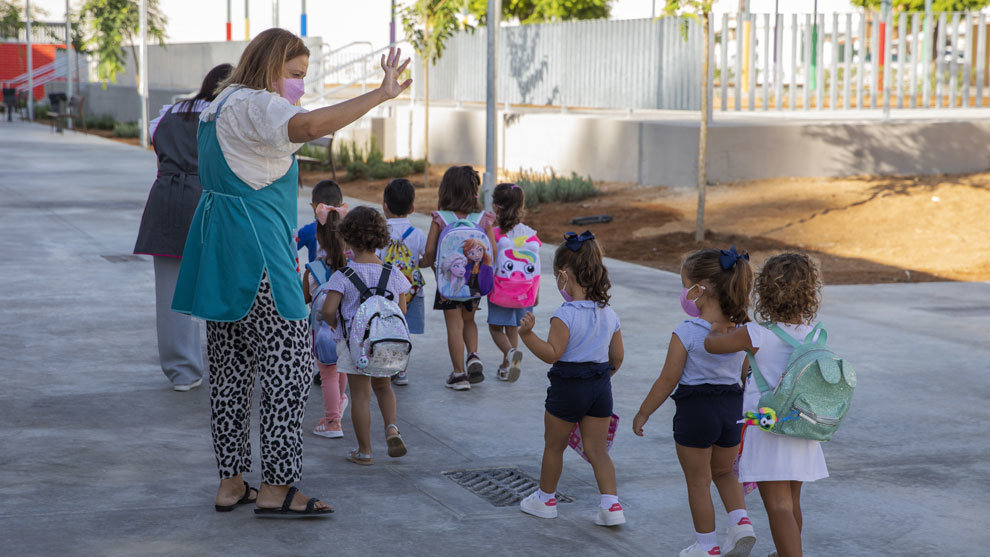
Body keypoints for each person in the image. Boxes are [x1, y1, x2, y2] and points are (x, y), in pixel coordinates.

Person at [171, 28, 411, 517]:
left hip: (219, 252)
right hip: (259, 251)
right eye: (295, 74)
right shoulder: (260, 104)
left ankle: (231, 482)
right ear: (270, 66)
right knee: (289, 369)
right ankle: (279, 486)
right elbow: (305, 127)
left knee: (231, 373)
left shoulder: (221, 103)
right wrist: (379, 94)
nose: (300, 85)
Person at [632, 247, 757, 557]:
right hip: (731, 411)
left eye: (686, 285)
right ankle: (741, 524)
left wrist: (643, 412)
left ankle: (707, 547)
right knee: (726, 472)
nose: (684, 293)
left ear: (700, 289)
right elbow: (746, 375)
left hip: (695, 413)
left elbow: (667, 379)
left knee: (699, 483)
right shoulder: (742, 332)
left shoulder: (687, 332)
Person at [704, 253, 829, 557]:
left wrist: (717, 328)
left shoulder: (756, 334)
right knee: (792, 501)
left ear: (763, 292)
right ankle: (786, 551)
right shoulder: (815, 333)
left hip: (769, 428)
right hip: (802, 426)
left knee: (778, 506)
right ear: (810, 293)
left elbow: (712, 346)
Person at [133, 63, 232, 391]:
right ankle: (233, 364)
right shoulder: (225, 114)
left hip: (165, 202)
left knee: (171, 291)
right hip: (208, 200)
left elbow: (159, 160)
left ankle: (182, 372)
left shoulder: (168, 114)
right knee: (226, 283)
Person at [517, 231, 626, 527]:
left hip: (568, 388)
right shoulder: (609, 313)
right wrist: (600, 378)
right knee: (597, 450)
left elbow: (553, 353)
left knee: (554, 446)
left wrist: (527, 336)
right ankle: (611, 505)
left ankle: (545, 500)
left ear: (564, 275)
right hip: (600, 387)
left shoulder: (564, 315)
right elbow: (617, 357)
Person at [320, 207, 411, 466]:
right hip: (387, 344)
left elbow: (328, 310)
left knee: (360, 395)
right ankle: (392, 428)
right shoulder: (393, 273)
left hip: (355, 345)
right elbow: (401, 310)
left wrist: (337, 323)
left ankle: (365, 451)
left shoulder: (342, 276)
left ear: (346, 239)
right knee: (384, 387)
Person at [421, 166, 496, 390]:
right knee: (470, 320)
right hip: (473, 284)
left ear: (446, 191)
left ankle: (459, 375)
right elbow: (491, 249)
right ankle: (473, 355)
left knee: (454, 326)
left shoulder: (440, 218)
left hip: (448, 285)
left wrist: (423, 264)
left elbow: (429, 252)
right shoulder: (482, 218)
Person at [300, 182, 349, 439]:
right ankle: (339, 403)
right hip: (349, 331)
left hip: (322, 332)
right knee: (341, 369)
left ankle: (332, 422)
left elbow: (303, 299)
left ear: (318, 238)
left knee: (327, 372)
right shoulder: (353, 269)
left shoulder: (313, 270)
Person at [376, 178, 427, 386]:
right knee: (405, 329)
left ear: (384, 206)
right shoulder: (417, 234)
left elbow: (376, 259)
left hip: (385, 291)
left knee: (386, 327)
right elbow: (424, 259)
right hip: (411, 291)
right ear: (412, 208)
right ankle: (401, 369)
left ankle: (385, 364)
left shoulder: (380, 233)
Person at [487, 183, 540, 382]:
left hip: (501, 290)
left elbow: (489, 261)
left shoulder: (495, 234)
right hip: (525, 292)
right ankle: (507, 366)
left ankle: (510, 354)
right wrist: (536, 294)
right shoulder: (531, 235)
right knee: (512, 327)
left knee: (495, 328)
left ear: (496, 207)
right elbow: (535, 268)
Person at [297, 179, 344, 264]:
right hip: (345, 276)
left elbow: (289, 249)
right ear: (341, 205)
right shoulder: (349, 229)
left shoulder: (308, 230)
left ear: (314, 206)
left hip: (315, 277)